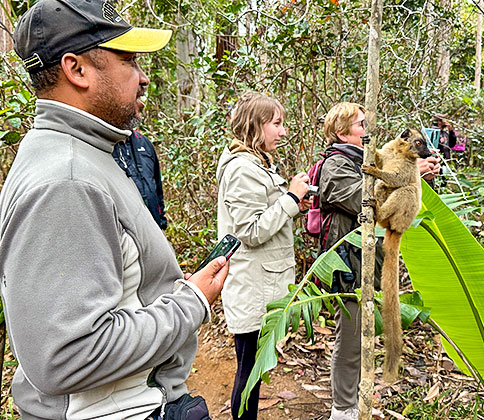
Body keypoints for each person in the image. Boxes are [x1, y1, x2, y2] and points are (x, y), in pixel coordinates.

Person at [0, 1, 228, 419]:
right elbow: (67, 354)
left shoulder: (84, 154)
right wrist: (193, 301)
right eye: (128, 61)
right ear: (77, 70)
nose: (142, 79)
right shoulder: (67, 181)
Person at [319, 102, 440, 420]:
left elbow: (390, 194)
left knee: (362, 337)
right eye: (360, 125)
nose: (366, 130)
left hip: (370, 260)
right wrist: (400, 177)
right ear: (342, 131)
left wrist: (415, 175)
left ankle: (354, 401)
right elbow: (363, 200)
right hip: (349, 266)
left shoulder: (362, 158)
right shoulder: (335, 164)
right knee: (350, 339)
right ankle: (341, 409)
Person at [216, 92, 312, 420]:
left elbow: (268, 216)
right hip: (252, 287)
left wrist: (294, 206)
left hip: (262, 284)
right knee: (248, 371)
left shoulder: (258, 163)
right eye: (276, 124)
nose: (282, 131)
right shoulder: (243, 169)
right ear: (256, 125)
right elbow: (252, 232)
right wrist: (290, 197)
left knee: (253, 371)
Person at [113, 130, 168, 229]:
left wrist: (161, 219)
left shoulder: (143, 141)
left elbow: (156, 185)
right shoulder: (106, 145)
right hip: (125, 231)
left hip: (153, 225)